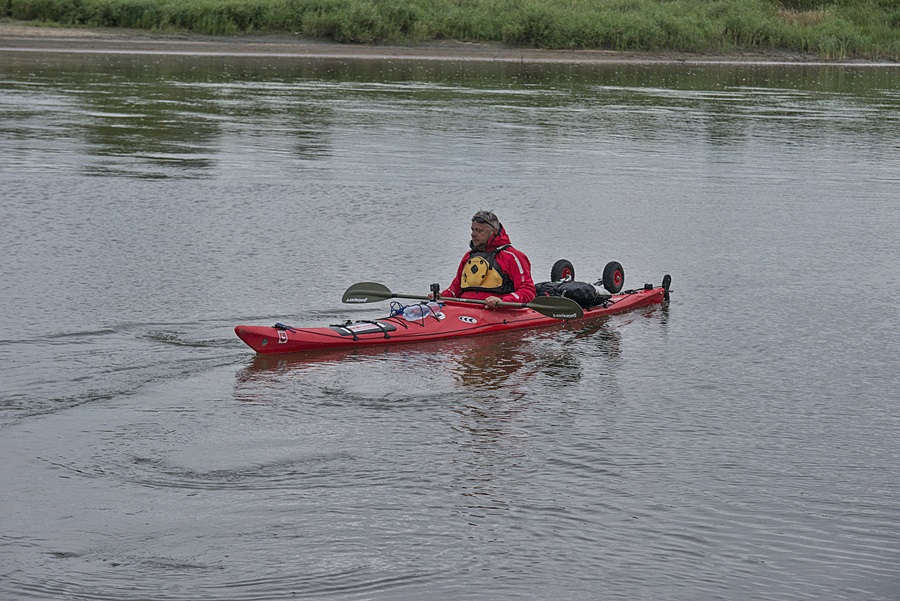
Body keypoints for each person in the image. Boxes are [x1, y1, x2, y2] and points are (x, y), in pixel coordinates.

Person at [436, 211, 536, 308]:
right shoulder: (469, 257)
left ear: (494, 231)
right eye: (472, 230)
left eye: (479, 231)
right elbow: (456, 288)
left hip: (498, 311)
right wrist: (442, 296)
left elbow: (527, 291)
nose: (473, 234)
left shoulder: (513, 257)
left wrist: (503, 301)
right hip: (465, 310)